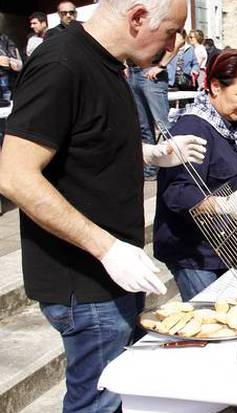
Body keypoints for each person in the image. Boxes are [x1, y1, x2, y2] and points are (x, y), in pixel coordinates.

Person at [0, 1, 208, 411]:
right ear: (136, 18)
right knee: (98, 403)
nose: (170, 49)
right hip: (84, 282)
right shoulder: (62, 63)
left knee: (124, 396)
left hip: (114, 278)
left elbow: (87, 145)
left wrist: (148, 154)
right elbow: (15, 175)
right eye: (168, 33)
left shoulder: (110, 65)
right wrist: (106, 248)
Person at [155, 49, 237, 301]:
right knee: (210, 315)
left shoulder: (230, 129)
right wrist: (224, 205)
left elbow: (231, 176)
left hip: (223, 245)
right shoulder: (193, 128)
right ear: (216, 86)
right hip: (193, 251)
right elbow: (178, 193)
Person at [128, 32, 186, 180]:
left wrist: (161, 65)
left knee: (163, 125)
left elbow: (178, 39)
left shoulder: (160, 18)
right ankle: (150, 171)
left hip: (151, 73)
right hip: (134, 72)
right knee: (144, 126)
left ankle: (180, 167)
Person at [0, 33, 22, 101]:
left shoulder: (3, 37)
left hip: (4, 75)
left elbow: (12, 52)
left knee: (6, 98)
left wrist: (10, 59)